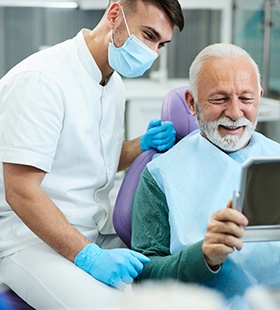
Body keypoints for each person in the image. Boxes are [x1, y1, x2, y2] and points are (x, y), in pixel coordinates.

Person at [0, 0, 184, 308]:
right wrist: (88, 256)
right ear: (115, 15)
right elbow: (20, 190)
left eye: (161, 44)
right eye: (148, 35)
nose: (153, 53)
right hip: (30, 241)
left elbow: (97, 160)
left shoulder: (113, 84)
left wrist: (141, 144)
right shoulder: (42, 79)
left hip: (93, 230)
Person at [131, 43, 280, 309]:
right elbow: (144, 276)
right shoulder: (160, 175)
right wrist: (204, 256)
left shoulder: (275, 158)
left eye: (246, 99)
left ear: (259, 96)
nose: (235, 113)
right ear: (192, 102)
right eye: (220, 99)